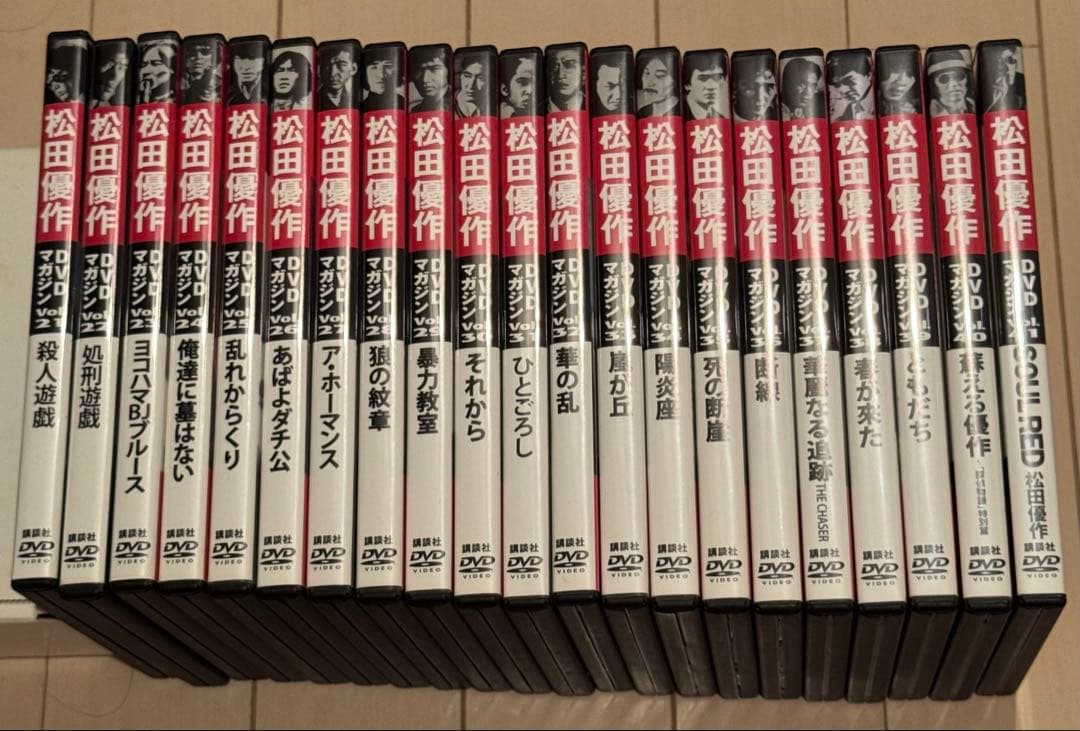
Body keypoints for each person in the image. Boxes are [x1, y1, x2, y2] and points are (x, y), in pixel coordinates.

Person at [927, 49, 975, 116]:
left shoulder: (972, 106)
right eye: (944, 79)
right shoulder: (933, 112)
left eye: (959, 76)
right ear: (934, 85)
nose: (953, 84)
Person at [827, 54, 873, 121]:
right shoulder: (850, 109)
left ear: (868, 75)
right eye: (837, 85)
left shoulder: (883, 104)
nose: (844, 90)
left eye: (848, 81)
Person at [684, 53, 727, 119]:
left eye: (717, 78)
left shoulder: (721, 118)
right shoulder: (675, 115)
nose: (711, 87)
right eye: (703, 79)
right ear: (687, 85)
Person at [984, 45, 1025, 111]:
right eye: (1000, 62)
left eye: (1010, 60)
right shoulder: (985, 86)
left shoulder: (1023, 82)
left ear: (1015, 64)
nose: (1006, 67)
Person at [409, 47, 450, 112]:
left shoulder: (459, 105)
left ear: (449, 72)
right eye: (418, 70)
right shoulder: (415, 110)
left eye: (434, 69)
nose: (425, 79)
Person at [183, 40, 221, 104]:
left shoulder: (221, 87)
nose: (198, 57)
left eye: (205, 52)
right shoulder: (180, 88)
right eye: (192, 52)